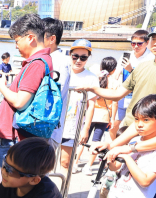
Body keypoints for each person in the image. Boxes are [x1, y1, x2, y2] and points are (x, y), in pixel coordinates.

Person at [0, 14, 53, 166]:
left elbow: (20, 102)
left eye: (17, 40)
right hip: (19, 138)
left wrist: (1, 86)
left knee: (9, 184)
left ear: (30, 37)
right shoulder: (41, 61)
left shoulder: (37, 64)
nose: (15, 45)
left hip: (15, 140)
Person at [75, 30, 156, 131]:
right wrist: (91, 88)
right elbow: (117, 94)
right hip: (132, 124)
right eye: (154, 39)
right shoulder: (142, 66)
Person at [59, 39, 98, 172]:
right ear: (70, 54)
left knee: (65, 162)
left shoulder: (91, 78)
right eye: (75, 56)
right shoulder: (61, 72)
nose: (78, 60)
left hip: (72, 127)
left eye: (83, 57)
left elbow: (91, 106)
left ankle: (62, 192)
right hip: (53, 124)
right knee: (46, 161)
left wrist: (86, 129)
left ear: (88, 58)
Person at [109, 30, 153, 139]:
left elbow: (147, 79)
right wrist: (112, 84)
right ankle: (114, 148)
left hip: (140, 97)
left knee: (136, 126)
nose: (136, 46)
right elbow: (116, 74)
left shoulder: (151, 58)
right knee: (114, 125)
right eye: (133, 43)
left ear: (147, 43)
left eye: (139, 43)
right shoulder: (127, 56)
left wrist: (131, 70)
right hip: (124, 95)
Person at [79, 57, 118, 175]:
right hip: (104, 116)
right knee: (96, 141)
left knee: (83, 139)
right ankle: (88, 166)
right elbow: (115, 103)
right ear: (114, 69)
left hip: (91, 114)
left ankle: (75, 163)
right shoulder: (115, 83)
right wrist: (112, 118)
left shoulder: (95, 78)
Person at [43, 18, 71, 153]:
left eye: (39, 34)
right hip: (40, 129)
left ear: (51, 39)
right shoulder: (47, 58)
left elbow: (54, 95)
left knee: (37, 171)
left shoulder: (59, 62)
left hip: (47, 130)